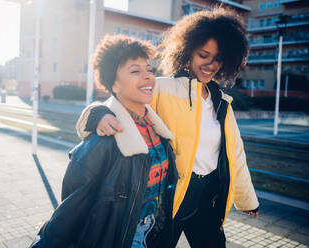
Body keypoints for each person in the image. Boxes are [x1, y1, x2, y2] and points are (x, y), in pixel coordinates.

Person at [76, 8, 259, 248]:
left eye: (217, 59)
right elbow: (121, 104)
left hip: (208, 199)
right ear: (189, 51)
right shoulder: (161, 88)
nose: (210, 64)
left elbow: (236, 156)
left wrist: (248, 201)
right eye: (204, 55)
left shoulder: (223, 103)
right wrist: (97, 114)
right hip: (167, 199)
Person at [29, 34, 178, 248]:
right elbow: (69, 213)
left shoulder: (158, 130)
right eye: (135, 71)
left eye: (149, 70)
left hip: (156, 234)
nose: (148, 77)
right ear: (114, 85)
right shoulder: (103, 141)